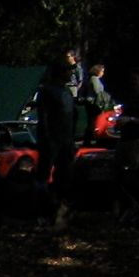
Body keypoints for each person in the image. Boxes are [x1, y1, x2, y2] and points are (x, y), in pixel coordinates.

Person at [33, 61, 77, 193]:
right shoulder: (47, 90)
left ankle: (59, 198)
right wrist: (47, 138)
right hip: (53, 138)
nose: (71, 73)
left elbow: (71, 114)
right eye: (69, 70)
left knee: (65, 172)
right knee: (44, 172)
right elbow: (43, 115)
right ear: (61, 72)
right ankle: (40, 199)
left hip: (66, 138)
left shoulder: (66, 90)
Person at [76, 62, 112, 139]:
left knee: (93, 121)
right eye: (102, 71)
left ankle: (90, 137)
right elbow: (97, 91)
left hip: (93, 102)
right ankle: (88, 138)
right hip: (92, 103)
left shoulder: (96, 79)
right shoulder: (94, 79)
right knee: (92, 121)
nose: (103, 73)